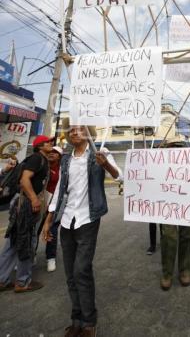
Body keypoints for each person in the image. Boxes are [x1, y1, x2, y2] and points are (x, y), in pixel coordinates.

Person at [43, 120, 122, 337]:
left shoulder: (101, 152)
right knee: (70, 274)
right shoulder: (66, 159)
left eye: (80, 128)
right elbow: (60, 190)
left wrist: (105, 164)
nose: (75, 131)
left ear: (89, 132)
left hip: (88, 220)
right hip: (67, 221)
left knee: (81, 270)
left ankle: (89, 322)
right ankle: (76, 319)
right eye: (72, 129)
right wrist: (49, 219)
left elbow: (119, 176)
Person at [0, 135, 53, 293]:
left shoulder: (39, 159)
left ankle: (2, 280)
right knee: (26, 240)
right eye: (48, 142)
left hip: (21, 203)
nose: (51, 144)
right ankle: (22, 282)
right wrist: (34, 199)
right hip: (25, 204)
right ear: (40, 146)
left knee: (14, 241)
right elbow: (24, 180)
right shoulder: (37, 158)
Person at [159, 140, 190, 291]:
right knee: (168, 237)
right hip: (167, 206)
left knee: (186, 236)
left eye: (178, 147)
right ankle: (167, 273)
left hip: (187, 205)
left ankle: (184, 269)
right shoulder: (159, 164)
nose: (175, 150)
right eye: (172, 147)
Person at [45, 145, 63, 272]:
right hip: (41, 202)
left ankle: (50, 258)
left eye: (55, 152)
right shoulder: (42, 165)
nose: (51, 154)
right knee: (35, 230)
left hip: (55, 203)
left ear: (59, 156)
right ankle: (30, 255)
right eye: (50, 152)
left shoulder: (62, 169)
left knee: (52, 230)